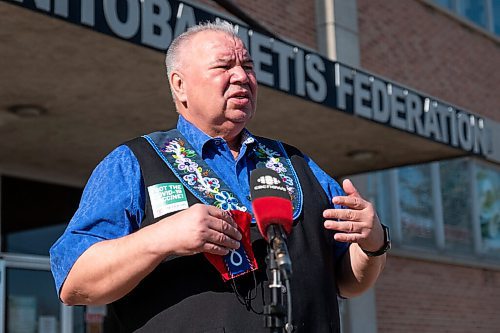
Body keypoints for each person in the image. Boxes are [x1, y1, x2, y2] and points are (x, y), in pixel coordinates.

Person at [50, 21, 388, 332]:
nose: (242, 76)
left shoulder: (297, 163)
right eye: (224, 66)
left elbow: (347, 282)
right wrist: (161, 238)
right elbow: (74, 283)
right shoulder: (133, 163)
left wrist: (374, 242)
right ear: (179, 85)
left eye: (248, 66)